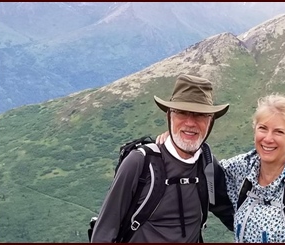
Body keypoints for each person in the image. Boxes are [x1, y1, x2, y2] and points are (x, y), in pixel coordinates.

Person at [156, 94, 285, 242]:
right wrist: (178, 141)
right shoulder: (242, 169)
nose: (268, 138)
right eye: (263, 128)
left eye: (279, 131)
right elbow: (203, 171)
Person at [91, 74, 234, 243]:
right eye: (181, 112)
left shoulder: (207, 165)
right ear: (169, 116)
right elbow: (104, 231)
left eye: (200, 115)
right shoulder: (140, 162)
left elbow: (234, 216)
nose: (190, 122)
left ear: (210, 121)